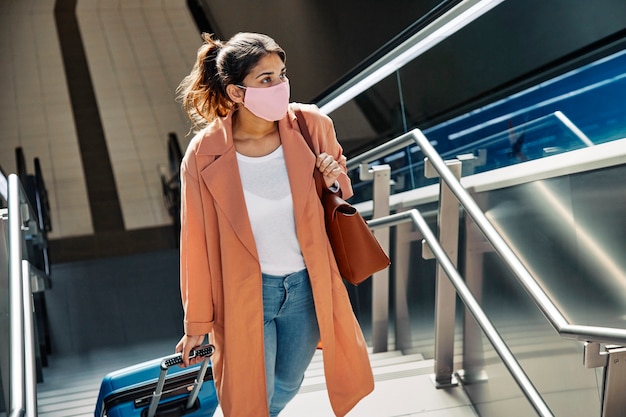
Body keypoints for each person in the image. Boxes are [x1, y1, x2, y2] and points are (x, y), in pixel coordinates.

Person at [175, 32, 374, 417]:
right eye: (266, 79)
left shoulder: (311, 125)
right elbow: (195, 243)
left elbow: (339, 192)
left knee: (287, 381)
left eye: (281, 75)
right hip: (246, 292)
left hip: (306, 286)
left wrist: (333, 176)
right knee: (250, 392)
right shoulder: (203, 154)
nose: (280, 86)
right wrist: (196, 322)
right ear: (235, 92)